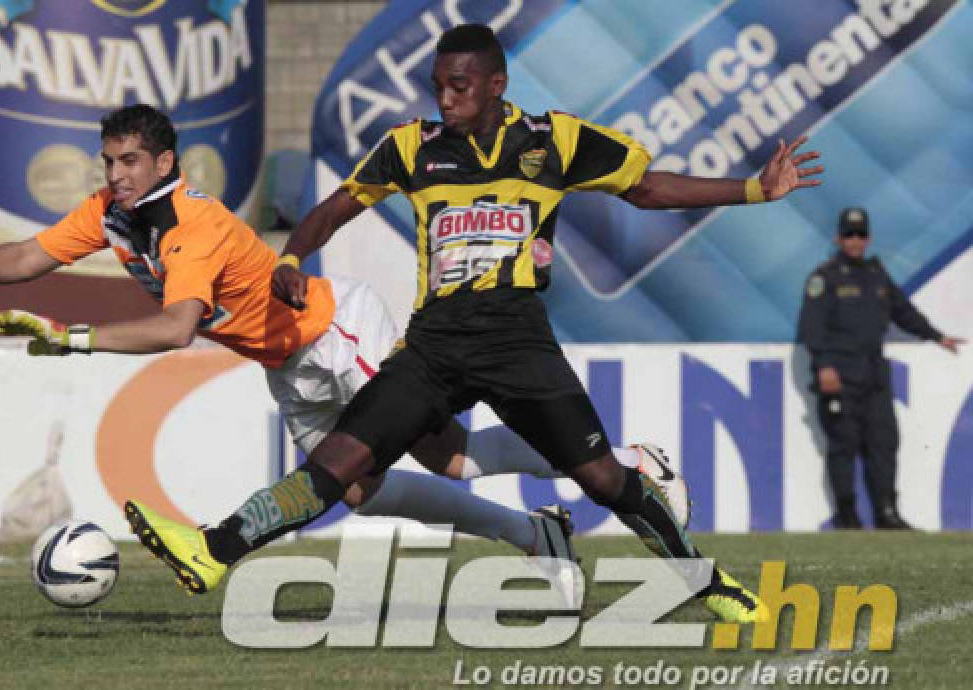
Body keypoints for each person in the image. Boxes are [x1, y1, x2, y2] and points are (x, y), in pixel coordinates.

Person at [126, 24, 823, 624]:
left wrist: (755, 189)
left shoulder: (556, 141)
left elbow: (647, 188)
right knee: (337, 466)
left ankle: (704, 580)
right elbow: (340, 204)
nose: (446, 97)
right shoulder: (412, 148)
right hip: (432, 344)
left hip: (517, 338)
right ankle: (214, 551)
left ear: (496, 84)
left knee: (604, 479)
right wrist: (295, 253)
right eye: (438, 85)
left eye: (459, 85)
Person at [0, 103, 675, 566]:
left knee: (451, 457)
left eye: (130, 160)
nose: (116, 173)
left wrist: (74, 338)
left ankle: (624, 465)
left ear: (165, 160)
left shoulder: (190, 225)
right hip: (285, 361)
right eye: (108, 161)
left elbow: (174, 330)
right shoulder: (110, 214)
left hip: (334, 331)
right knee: (365, 495)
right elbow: (26, 255)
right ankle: (535, 534)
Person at [797, 207, 963, 530]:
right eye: (849, 234)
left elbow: (903, 311)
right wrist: (824, 366)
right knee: (843, 445)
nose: (855, 241)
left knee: (884, 442)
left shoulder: (876, 275)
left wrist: (936, 336)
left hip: (874, 373)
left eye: (860, 235)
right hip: (840, 373)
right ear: (838, 238)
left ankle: (887, 513)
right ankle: (848, 516)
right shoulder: (824, 278)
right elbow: (812, 328)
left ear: (868, 238)